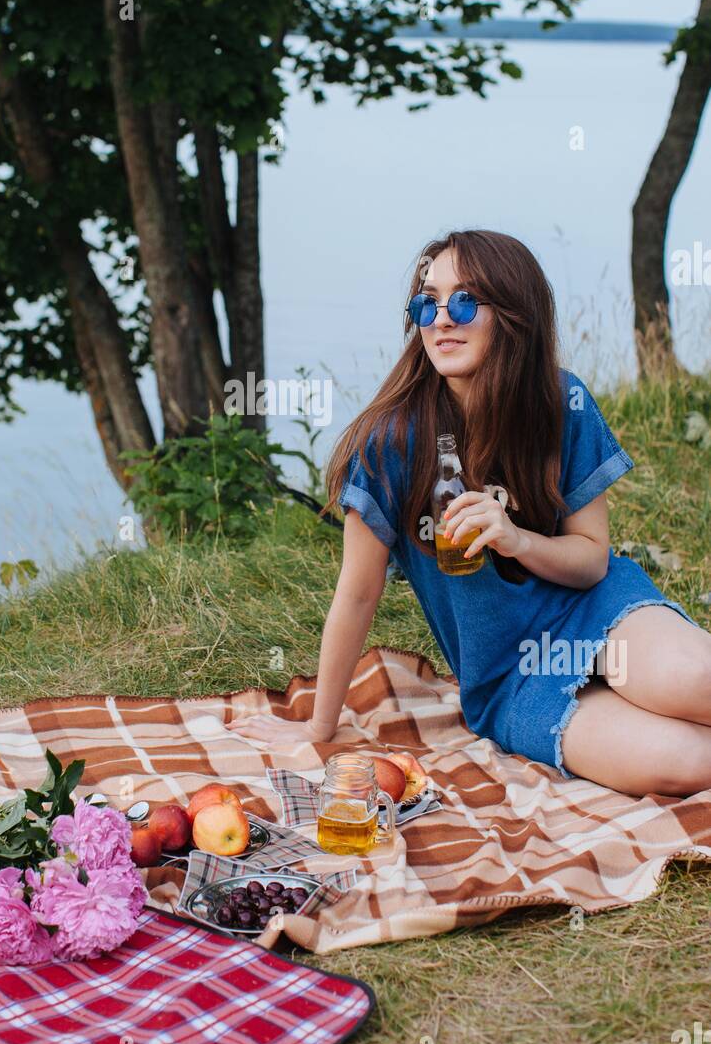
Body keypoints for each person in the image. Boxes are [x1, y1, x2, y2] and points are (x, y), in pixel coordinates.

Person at [228, 229, 711, 797]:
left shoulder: (563, 404)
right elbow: (357, 593)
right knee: (687, 761)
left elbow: (592, 563)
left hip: (595, 610)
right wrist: (317, 728)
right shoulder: (390, 444)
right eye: (425, 302)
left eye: (463, 301)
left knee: (700, 680)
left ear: (513, 313)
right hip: (512, 677)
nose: (441, 319)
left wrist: (517, 539)